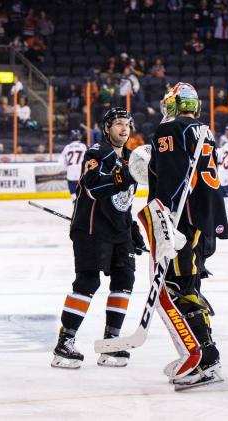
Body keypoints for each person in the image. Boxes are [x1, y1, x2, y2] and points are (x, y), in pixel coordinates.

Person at [147, 82, 228, 389]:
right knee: (188, 284)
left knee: (178, 288)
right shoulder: (203, 131)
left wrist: (162, 221)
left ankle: (204, 361)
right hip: (203, 222)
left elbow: (171, 183)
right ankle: (207, 356)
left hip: (180, 223)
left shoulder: (170, 131)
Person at [51, 107, 144, 369]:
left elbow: (124, 201)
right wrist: (122, 176)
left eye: (127, 123)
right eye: (117, 124)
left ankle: (111, 343)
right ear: (106, 128)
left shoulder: (131, 159)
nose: (124, 129)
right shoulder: (96, 153)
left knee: (125, 279)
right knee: (88, 282)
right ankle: (64, 343)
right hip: (91, 230)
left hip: (119, 232)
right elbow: (92, 187)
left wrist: (132, 229)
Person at [58, 130, 87, 202]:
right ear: (79, 137)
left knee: (71, 184)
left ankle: (74, 199)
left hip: (71, 170)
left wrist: (65, 168)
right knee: (83, 186)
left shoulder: (67, 147)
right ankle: (83, 200)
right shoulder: (83, 146)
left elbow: (61, 161)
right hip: (81, 170)